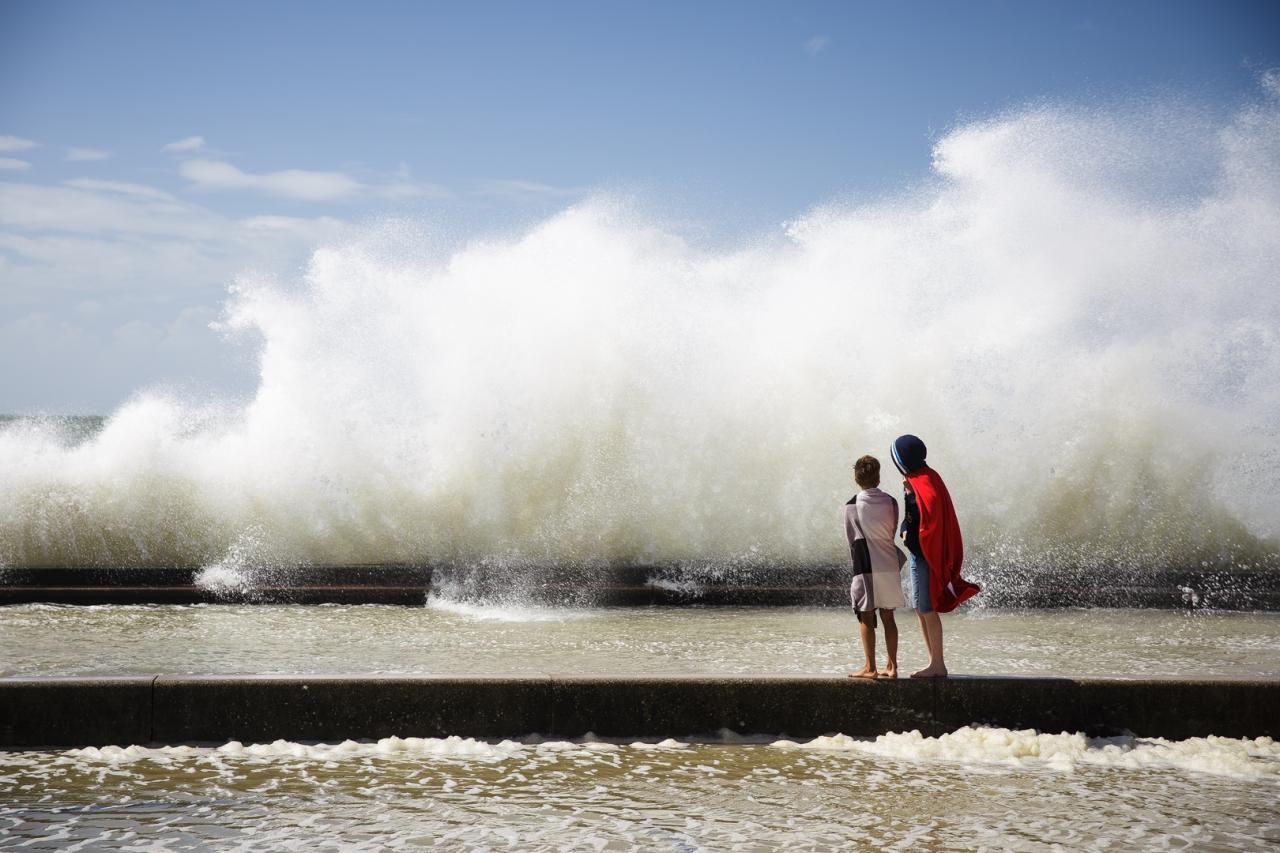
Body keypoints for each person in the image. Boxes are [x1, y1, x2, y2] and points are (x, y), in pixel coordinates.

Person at [892, 434, 981, 678]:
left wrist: (910, 500)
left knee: (927, 608)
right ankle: (933, 661)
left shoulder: (924, 481)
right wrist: (904, 531)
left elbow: (929, 520)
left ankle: (938, 664)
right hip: (917, 553)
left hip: (926, 555)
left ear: (903, 460)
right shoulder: (918, 479)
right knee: (920, 608)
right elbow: (913, 519)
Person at [844, 455, 907, 679]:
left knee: (866, 616)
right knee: (888, 616)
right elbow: (890, 533)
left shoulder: (852, 505)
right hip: (889, 563)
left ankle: (870, 667)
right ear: (878, 477)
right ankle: (892, 667)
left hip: (866, 565)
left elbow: (853, 539)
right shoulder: (891, 501)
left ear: (856, 478)